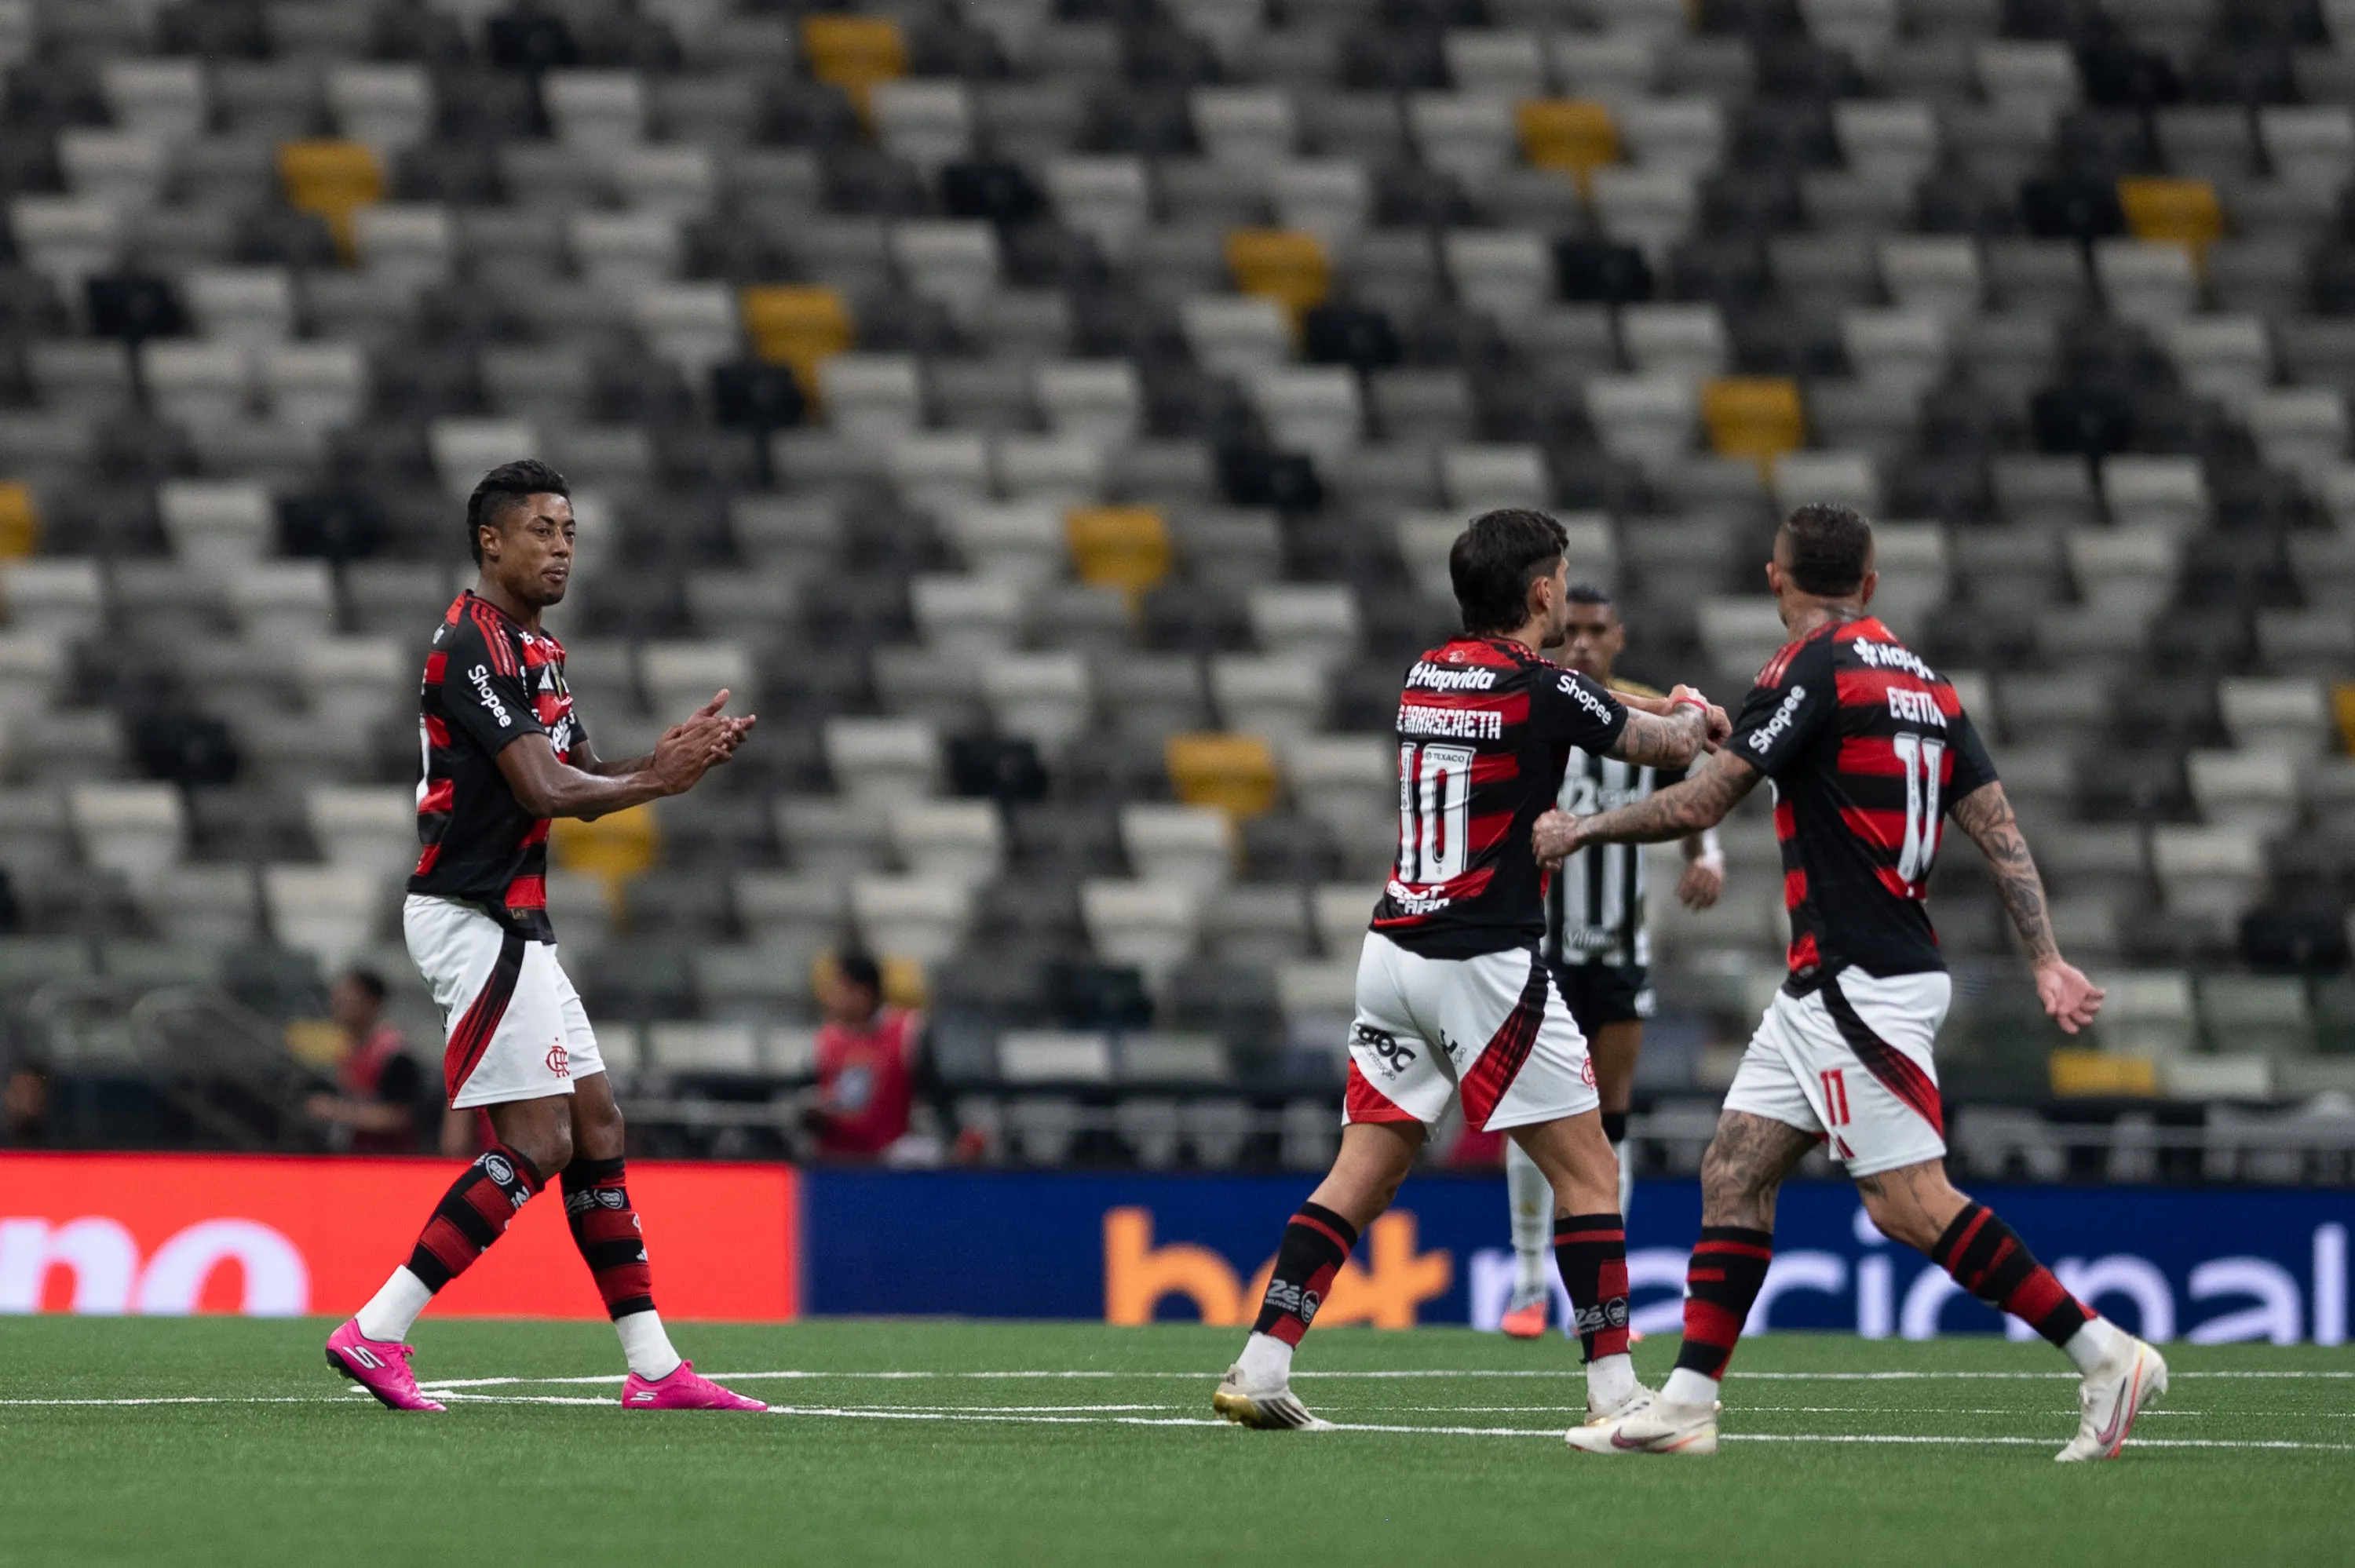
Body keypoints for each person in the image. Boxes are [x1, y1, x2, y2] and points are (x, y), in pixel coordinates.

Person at [1539, 503, 2163, 1462]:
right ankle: (1690, 1404)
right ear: (1870, 585)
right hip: (1833, 982)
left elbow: (1708, 800)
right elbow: (1998, 831)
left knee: (1907, 1203)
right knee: (1734, 1171)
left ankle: (2104, 1353)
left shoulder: (1807, 669)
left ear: (1775, 580)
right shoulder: (1929, 686)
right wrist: (2045, 956)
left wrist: (1582, 828)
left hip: (1858, 981)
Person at [1211, 508, 1729, 1432]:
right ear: (1541, 593)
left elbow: (1574, 702)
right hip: (1480, 962)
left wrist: (1659, 707)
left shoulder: (1426, 672)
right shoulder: (1539, 687)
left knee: (1361, 1175)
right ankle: (1616, 1392)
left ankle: (1261, 1364)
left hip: (1392, 953)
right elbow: (1674, 750)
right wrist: (1689, 709)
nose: (1567, 592)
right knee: (1590, 1172)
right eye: (1562, 578)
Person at [324, 459, 768, 1414]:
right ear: (491, 540)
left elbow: (581, 774)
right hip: (471, 911)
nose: (562, 546)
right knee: (537, 1140)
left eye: (570, 531)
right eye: (542, 530)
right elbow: (546, 791)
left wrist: (658, 760)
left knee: (598, 1125)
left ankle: (654, 1369)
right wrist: (660, 784)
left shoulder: (539, 649)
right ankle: (376, 1329)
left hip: (517, 915)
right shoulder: (469, 645)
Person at [1502, 585, 1727, 1340]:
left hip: (1619, 951)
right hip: (1541, 945)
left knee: (1612, 1124)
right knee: (1533, 1117)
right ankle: (1530, 1283)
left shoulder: (1638, 720)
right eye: (1578, 631)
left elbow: (1689, 798)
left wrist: (1710, 855)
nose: (1586, 644)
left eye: (1600, 632)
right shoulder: (1541, 709)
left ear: (1619, 638)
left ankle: (1598, 1302)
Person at [807, 950, 937, 1161]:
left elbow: (934, 1100)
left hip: (891, 1163)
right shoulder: (824, 1041)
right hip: (835, 1164)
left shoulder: (908, 1033)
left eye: (837, 988)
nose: (829, 997)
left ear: (863, 993)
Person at [303, 969, 429, 1154]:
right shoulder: (350, 1049)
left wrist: (334, 1110)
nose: (336, 1003)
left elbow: (400, 1117)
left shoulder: (394, 1053)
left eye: (347, 996)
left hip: (391, 1162)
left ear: (372, 1001)